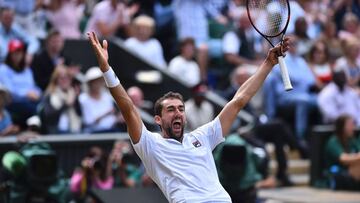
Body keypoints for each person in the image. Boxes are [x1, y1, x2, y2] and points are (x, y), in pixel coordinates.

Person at [87, 31, 289, 202]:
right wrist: (106, 69)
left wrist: (268, 63)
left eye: (181, 109)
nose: (178, 113)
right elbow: (128, 108)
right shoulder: (150, 144)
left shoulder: (202, 136)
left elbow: (239, 100)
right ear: (158, 119)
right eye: (171, 110)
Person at [323, 115, 360, 190]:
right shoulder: (333, 141)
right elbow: (343, 159)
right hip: (337, 173)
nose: (353, 127)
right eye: (350, 125)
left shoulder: (352, 140)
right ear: (342, 127)